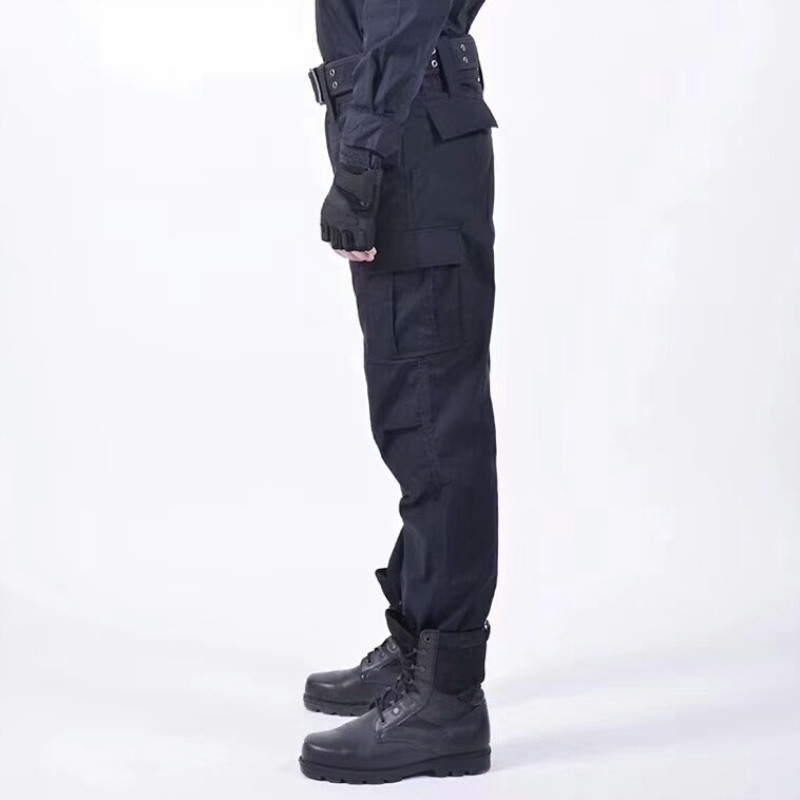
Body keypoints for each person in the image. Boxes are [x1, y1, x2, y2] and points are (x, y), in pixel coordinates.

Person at [299, 0, 499, 783]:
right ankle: (423, 645)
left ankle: (446, 698)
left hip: (408, 136)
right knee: (415, 408)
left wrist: (363, 158)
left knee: (431, 414)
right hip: (415, 123)